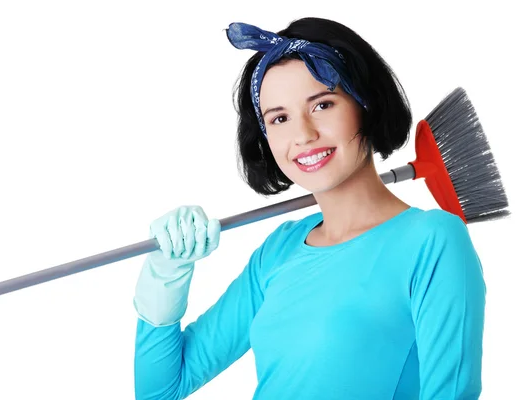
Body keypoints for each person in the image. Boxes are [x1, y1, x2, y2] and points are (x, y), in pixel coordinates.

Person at [132, 17, 486, 400]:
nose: (302, 134)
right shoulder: (280, 248)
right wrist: (167, 274)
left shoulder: (433, 240)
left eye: (322, 104)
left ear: (365, 104)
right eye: (279, 118)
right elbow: (162, 391)